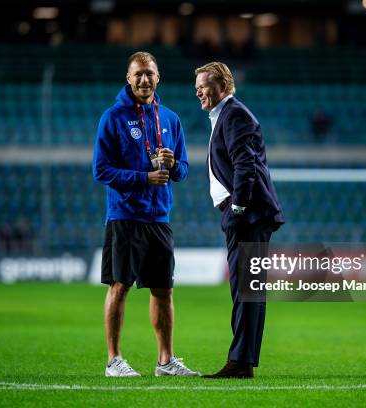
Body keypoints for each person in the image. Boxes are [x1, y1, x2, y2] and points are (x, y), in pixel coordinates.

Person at [93, 51, 198, 377]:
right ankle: (114, 361)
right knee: (120, 286)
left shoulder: (170, 118)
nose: (143, 79)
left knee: (163, 290)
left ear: (158, 77)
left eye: (149, 73)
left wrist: (170, 164)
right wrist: (143, 178)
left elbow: (183, 169)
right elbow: (101, 170)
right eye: (137, 74)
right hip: (124, 215)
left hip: (158, 217)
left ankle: (165, 361)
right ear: (128, 78)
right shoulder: (112, 118)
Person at [195, 62, 284, 378]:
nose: (199, 92)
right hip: (247, 214)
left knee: (246, 288)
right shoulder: (227, 116)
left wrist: (238, 209)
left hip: (247, 215)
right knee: (249, 289)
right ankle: (242, 360)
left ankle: (240, 362)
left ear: (222, 85)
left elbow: (245, 166)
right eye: (197, 88)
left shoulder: (235, 115)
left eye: (203, 86)